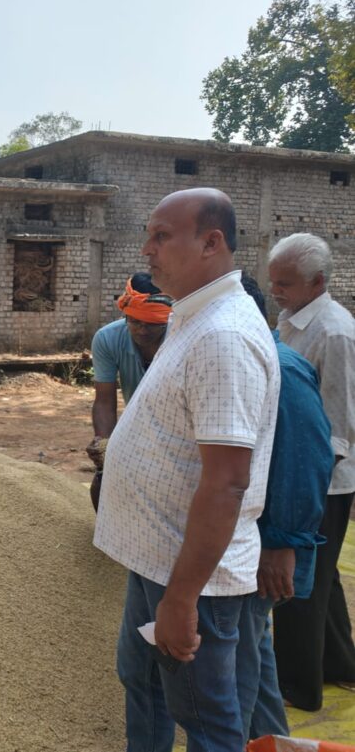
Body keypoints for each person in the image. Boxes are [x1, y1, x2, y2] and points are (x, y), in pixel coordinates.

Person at [94, 188, 280, 752]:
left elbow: (226, 482)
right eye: (148, 235)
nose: (146, 250)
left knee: (205, 719)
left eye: (161, 236)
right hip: (156, 555)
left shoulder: (223, 336)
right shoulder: (192, 317)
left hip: (191, 575)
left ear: (210, 243)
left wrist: (181, 599)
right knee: (143, 681)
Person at [234, 274, 332, 742]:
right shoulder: (248, 360)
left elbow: (306, 459)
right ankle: (272, 741)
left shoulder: (282, 369)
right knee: (253, 652)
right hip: (248, 538)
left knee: (239, 663)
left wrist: (282, 543)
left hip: (262, 542)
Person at [267, 232, 355, 711]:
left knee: (297, 580)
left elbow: (340, 426)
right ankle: (340, 664)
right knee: (323, 576)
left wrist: (306, 494)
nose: (275, 291)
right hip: (298, 466)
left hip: (322, 476)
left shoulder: (335, 333)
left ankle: (298, 687)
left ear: (317, 282)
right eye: (273, 281)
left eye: (285, 283)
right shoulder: (290, 318)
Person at [86, 273, 172, 510]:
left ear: (166, 320)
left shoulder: (182, 337)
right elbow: (104, 401)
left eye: (152, 325)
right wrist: (104, 445)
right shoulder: (107, 339)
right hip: (137, 422)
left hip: (178, 426)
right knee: (104, 481)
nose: (142, 331)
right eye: (135, 322)